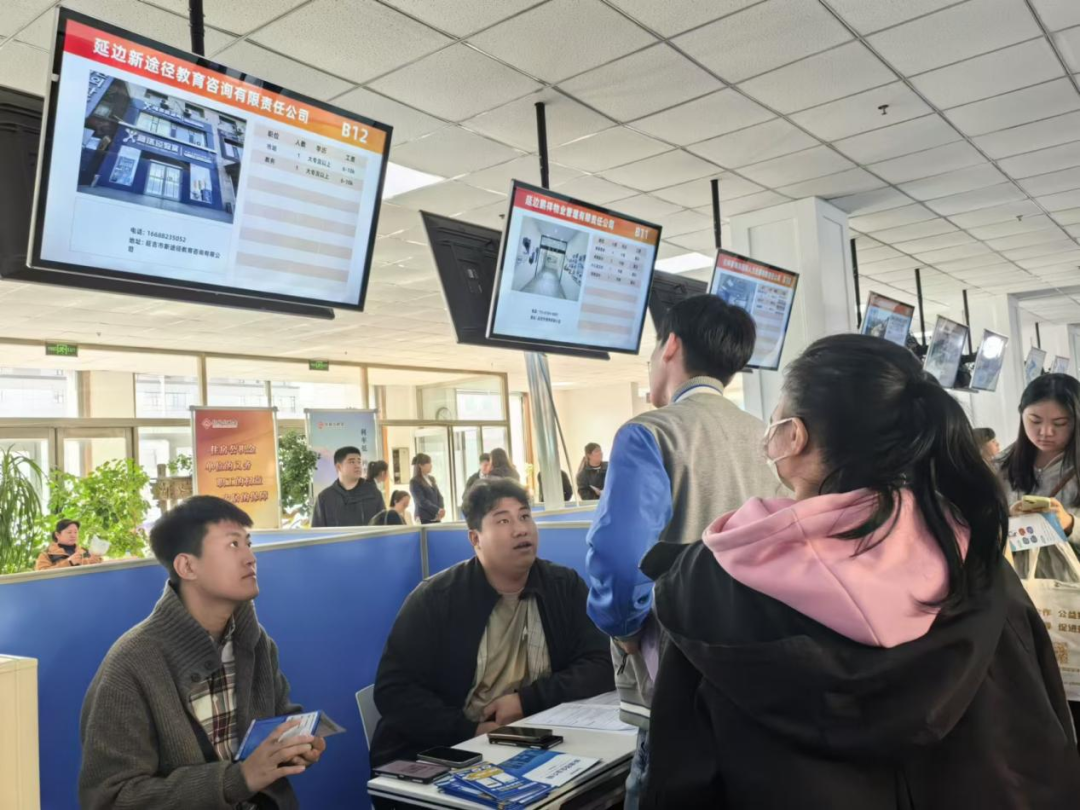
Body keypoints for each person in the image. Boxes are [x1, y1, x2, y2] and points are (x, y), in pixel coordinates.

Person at [640, 334, 1080, 808]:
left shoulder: (706, 587)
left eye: (775, 422)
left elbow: (680, 777)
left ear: (795, 437)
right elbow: (1040, 741)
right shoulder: (975, 560)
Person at [585, 294, 781, 808]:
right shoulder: (767, 439)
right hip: (759, 680)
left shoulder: (650, 433)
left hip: (676, 685)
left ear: (670, 346)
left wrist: (624, 627)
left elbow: (618, 557)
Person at [79, 496, 326, 809]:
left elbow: (277, 719)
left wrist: (294, 746)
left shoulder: (255, 642)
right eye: (233, 545)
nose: (251, 558)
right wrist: (238, 780)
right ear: (187, 566)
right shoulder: (131, 665)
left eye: (248, 543)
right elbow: (111, 799)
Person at [370, 479, 613, 766]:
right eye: (503, 520)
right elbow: (394, 691)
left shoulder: (562, 586)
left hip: (533, 740)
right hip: (445, 751)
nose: (521, 529)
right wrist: (471, 731)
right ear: (475, 539)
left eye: (525, 516)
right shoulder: (436, 598)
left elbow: (601, 662)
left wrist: (526, 701)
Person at [311, 446, 382, 527]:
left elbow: (384, 526)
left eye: (359, 462)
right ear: (339, 467)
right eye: (352, 462)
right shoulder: (325, 498)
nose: (357, 465)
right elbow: (318, 530)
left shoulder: (373, 493)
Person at [35, 518, 103, 570]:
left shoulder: (85, 551)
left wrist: (96, 560)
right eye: (69, 532)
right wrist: (68, 562)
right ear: (57, 535)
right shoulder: (47, 554)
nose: (73, 535)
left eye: (75, 532)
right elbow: (41, 575)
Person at [409, 453, 445, 524]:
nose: (431, 465)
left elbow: (439, 496)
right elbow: (421, 501)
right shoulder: (414, 481)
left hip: (436, 517)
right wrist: (437, 510)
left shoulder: (431, 479)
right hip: (424, 518)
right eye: (428, 463)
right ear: (420, 465)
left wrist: (441, 509)